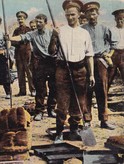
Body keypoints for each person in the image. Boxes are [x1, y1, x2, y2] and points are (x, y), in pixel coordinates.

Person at [48, 0, 95, 143]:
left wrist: (91, 74)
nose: (70, 18)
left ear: (79, 15)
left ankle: (74, 129)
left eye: (73, 15)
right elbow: (51, 52)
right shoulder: (60, 30)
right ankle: (59, 132)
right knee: (62, 102)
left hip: (80, 70)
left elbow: (89, 55)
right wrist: (54, 36)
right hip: (63, 69)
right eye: (68, 15)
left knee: (79, 102)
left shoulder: (84, 33)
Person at [10, 14, 56, 121]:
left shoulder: (52, 32)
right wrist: (10, 38)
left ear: (45, 22)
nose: (38, 24)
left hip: (52, 62)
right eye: (37, 22)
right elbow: (22, 37)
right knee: (40, 88)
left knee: (54, 87)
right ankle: (39, 111)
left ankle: (51, 109)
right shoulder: (32, 34)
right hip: (39, 63)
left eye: (40, 22)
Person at [82, 1, 116, 130]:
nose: (92, 15)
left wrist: (107, 56)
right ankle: (87, 120)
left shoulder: (105, 28)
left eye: (94, 13)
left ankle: (104, 120)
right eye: (89, 12)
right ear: (86, 14)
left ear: (98, 14)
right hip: (86, 62)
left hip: (101, 61)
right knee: (87, 91)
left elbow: (112, 44)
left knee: (102, 91)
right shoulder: (82, 29)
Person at [11, 11, 35, 97]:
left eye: (22, 18)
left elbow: (28, 40)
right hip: (18, 54)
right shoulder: (16, 30)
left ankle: (33, 90)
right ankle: (22, 91)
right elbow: (13, 41)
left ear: (25, 19)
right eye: (19, 18)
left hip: (26, 53)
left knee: (29, 73)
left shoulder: (28, 29)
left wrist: (19, 40)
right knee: (20, 73)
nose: (20, 20)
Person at [108, 9, 124, 87]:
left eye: (122, 18)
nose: (120, 20)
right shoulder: (111, 30)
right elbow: (107, 43)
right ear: (115, 19)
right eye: (118, 18)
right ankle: (104, 97)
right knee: (110, 76)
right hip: (114, 53)